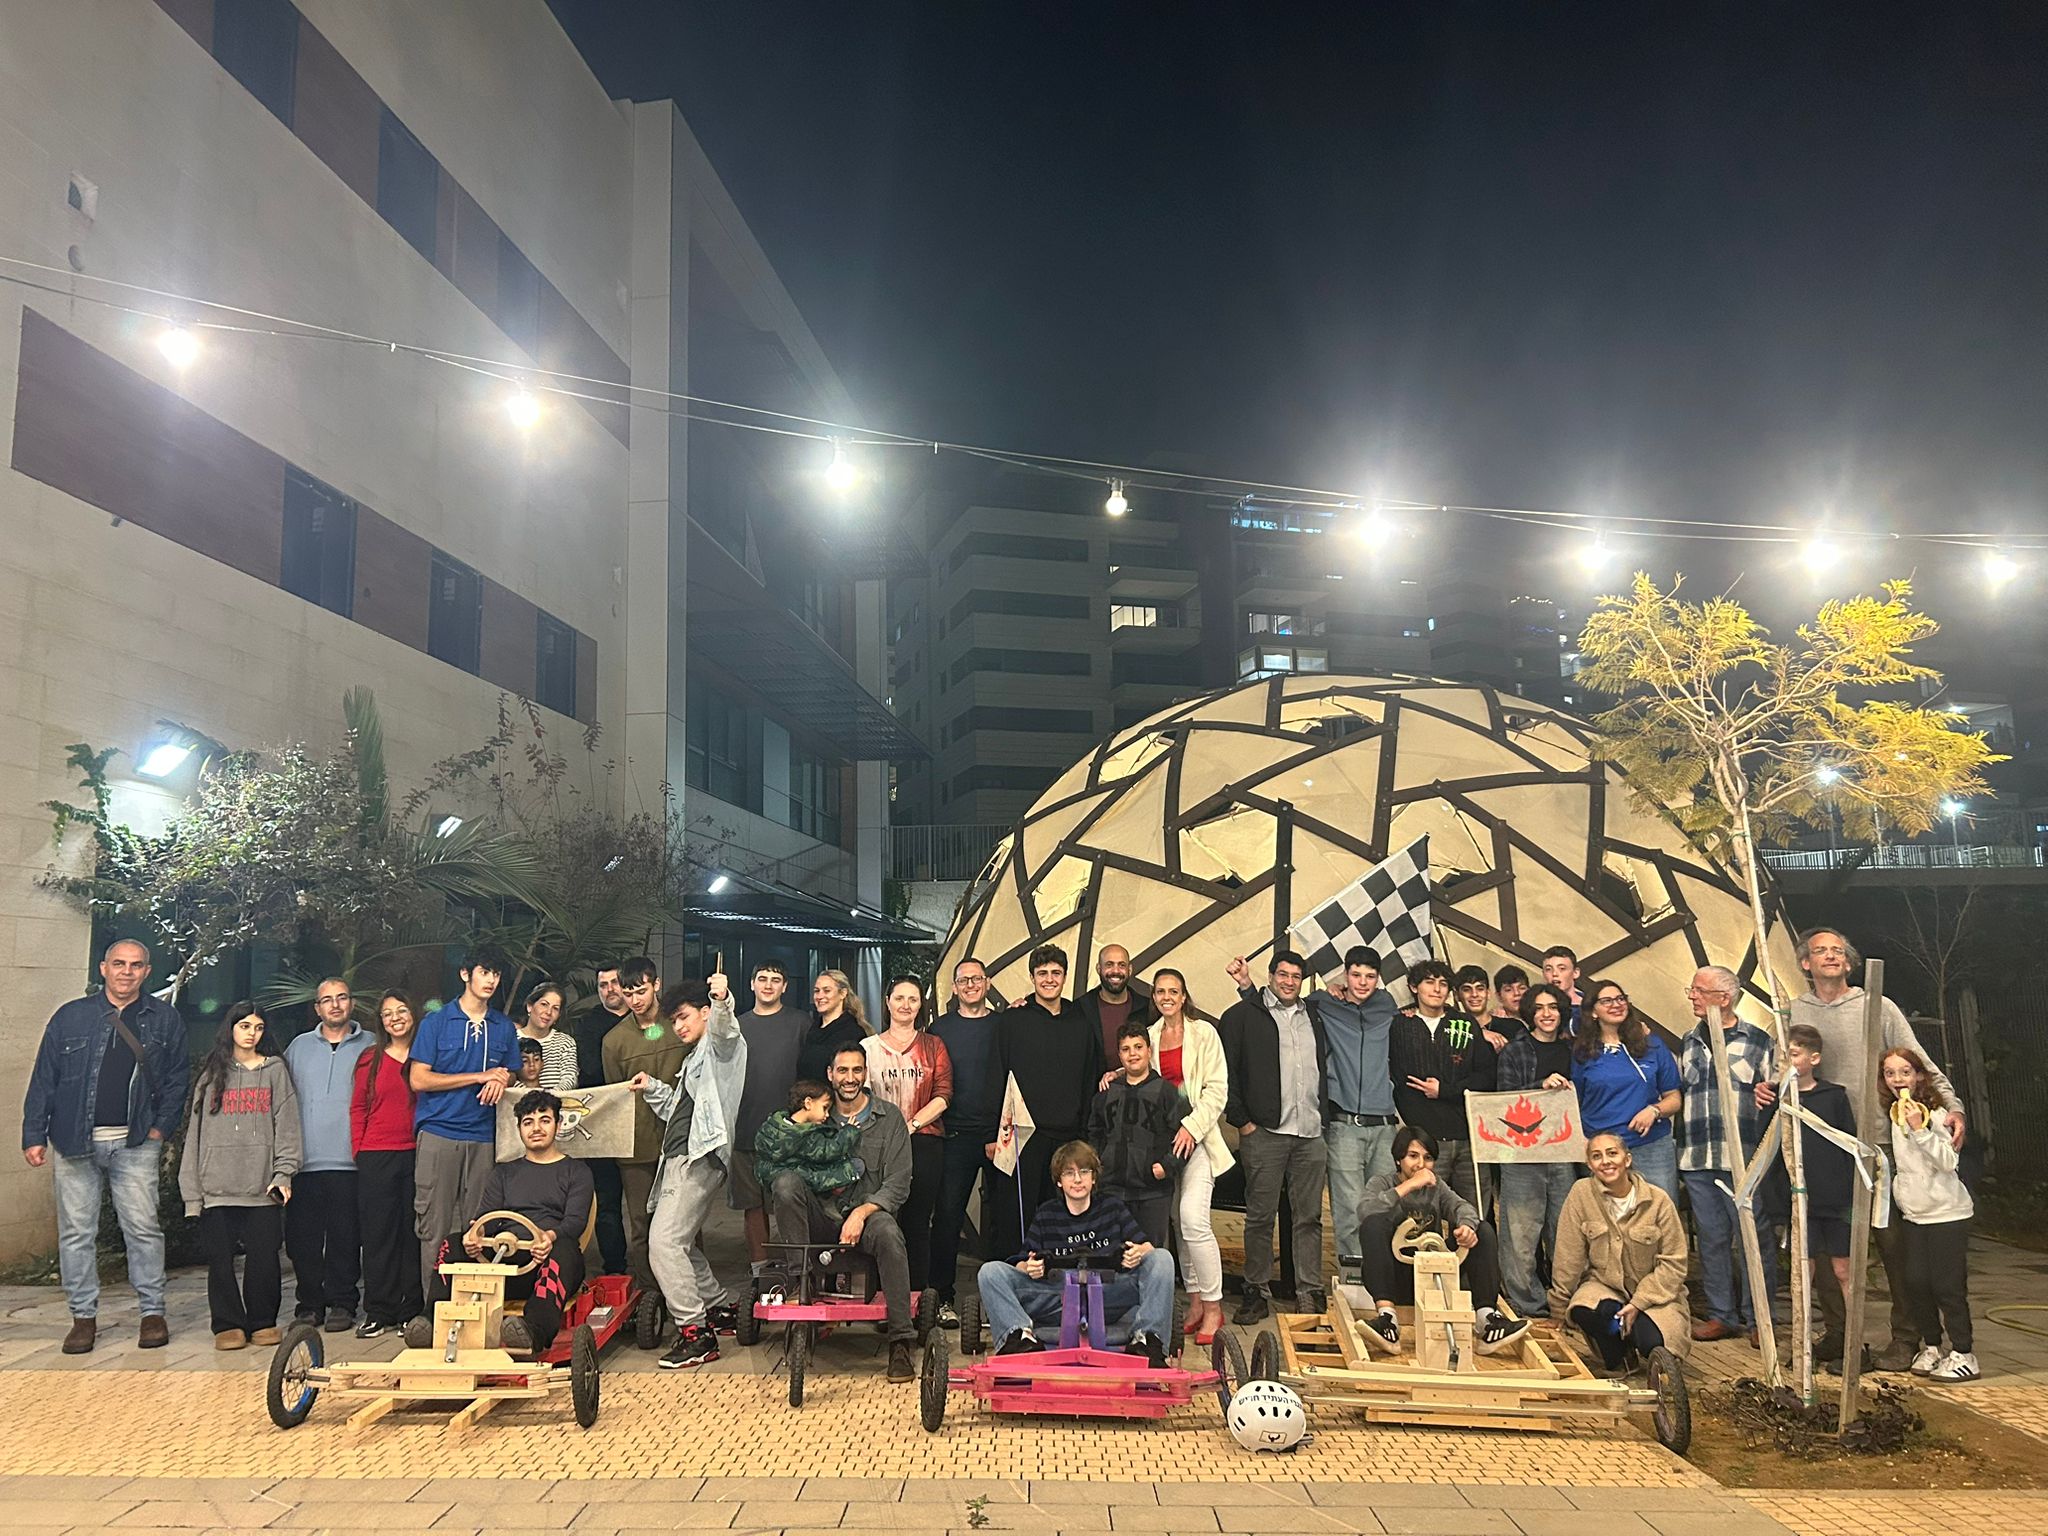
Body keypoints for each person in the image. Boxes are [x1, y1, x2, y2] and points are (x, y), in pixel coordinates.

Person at [1785, 927, 1964, 1372]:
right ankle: (1840, 1333)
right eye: (1820, 951)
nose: (1830, 956)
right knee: (1829, 1246)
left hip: (1879, 1144)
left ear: (1849, 963)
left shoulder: (1878, 1007)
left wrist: (1953, 1106)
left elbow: (1918, 1062)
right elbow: (1781, 1068)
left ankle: (1907, 1337)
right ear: (1805, 963)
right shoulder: (1793, 1011)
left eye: (1838, 951)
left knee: (1893, 1246)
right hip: (1825, 1146)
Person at [21, 938, 189, 1354]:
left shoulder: (164, 1019)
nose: (126, 972)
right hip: (74, 1140)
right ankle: (83, 1318)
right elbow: (45, 1078)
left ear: (146, 972)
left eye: (135, 965)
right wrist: (33, 1134)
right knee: (76, 1233)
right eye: (119, 964)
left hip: (136, 1142)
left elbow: (177, 1079)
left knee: (143, 1230)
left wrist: (160, 1129)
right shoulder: (70, 1017)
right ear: (103, 968)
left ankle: (152, 1313)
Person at [768, 1042, 920, 1382]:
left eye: (856, 1070)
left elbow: (898, 1183)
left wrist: (862, 1213)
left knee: (889, 1234)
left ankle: (900, 1340)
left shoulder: (889, 1118)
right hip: (821, 1216)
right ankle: (801, 1287)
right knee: (785, 1183)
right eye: (842, 1070)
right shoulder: (812, 1116)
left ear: (865, 1074)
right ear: (830, 1074)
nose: (849, 1078)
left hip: (869, 1216)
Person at [408, 1089, 594, 1354]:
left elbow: (575, 1222)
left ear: (558, 1123)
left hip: (546, 1260)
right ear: (519, 1129)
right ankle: (431, 1322)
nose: (536, 1128)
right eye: (528, 1122)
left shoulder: (576, 1171)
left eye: (544, 1120)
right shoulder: (504, 1172)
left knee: (564, 1250)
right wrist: (475, 1235)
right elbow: (487, 1216)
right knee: (452, 1243)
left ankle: (533, 1331)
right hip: (502, 1261)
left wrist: (548, 1238)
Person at [627, 974, 746, 1370]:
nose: (678, 1026)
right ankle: (717, 1308)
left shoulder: (721, 1046)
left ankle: (696, 1333)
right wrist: (652, 1087)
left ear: (705, 1013)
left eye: (684, 1017)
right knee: (680, 1244)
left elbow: (727, 1030)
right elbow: (679, 1111)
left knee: (663, 1244)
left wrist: (722, 997)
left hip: (699, 1158)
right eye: (674, 1020)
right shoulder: (693, 1058)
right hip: (680, 1157)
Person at [975, 1139, 1177, 1366]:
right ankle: (1018, 1337)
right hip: (1058, 1298)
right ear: (1059, 1181)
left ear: (1094, 1178)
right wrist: (1030, 1267)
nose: (1078, 1179)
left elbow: (1148, 1249)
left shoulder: (1113, 1207)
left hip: (1109, 1296)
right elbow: (1021, 1263)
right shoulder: (1046, 1214)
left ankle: (1148, 1340)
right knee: (990, 1272)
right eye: (1069, 1173)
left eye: (1084, 1171)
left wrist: (1138, 1253)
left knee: (1162, 1258)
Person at [180, 1002, 300, 1351]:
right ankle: (228, 1324)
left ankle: (263, 1321)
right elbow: (195, 1137)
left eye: (258, 1027)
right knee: (220, 1262)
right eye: (245, 1026)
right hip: (216, 1187)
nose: (252, 1034)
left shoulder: (275, 1070)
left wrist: (284, 1173)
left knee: (264, 1259)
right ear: (230, 1029)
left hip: (262, 1187)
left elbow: (288, 1127)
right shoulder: (211, 1075)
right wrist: (192, 1194)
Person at [1350, 1127, 1529, 1355]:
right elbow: (1365, 1210)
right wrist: (1409, 1186)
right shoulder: (1382, 1182)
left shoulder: (1437, 1187)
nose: (1420, 1165)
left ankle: (1487, 1320)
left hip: (1434, 1278)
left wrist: (1466, 1227)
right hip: (1396, 1274)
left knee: (1482, 1230)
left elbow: (1462, 1207)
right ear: (1398, 1160)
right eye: (1413, 1156)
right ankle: (1387, 1319)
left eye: (1428, 1158)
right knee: (1372, 1225)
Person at [1221, 949, 1330, 1323]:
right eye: (1282, 974)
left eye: (1296, 976)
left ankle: (1309, 1291)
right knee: (1260, 1217)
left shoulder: (1314, 1015)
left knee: (1309, 1217)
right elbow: (1228, 1071)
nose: (1289, 982)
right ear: (1270, 976)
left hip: (1310, 1131)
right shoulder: (1243, 1016)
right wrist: (1242, 1121)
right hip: (1265, 1132)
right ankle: (1256, 1290)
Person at [407, 947, 522, 1298]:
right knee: (434, 1225)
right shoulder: (437, 1022)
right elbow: (419, 1079)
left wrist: (501, 1078)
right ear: (465, 974)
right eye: (484, 972)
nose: (491, 980)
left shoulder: (503, 1026)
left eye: (496, 974)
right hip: (439, 1132)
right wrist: (478, 1076)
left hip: (485, 1135)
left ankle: (478, 1306)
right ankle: (433, 1307)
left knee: (481, 1227)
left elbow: (512, 1073)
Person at [1675, 965, 1776, 1345]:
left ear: (1725, 997)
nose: (1692, 996)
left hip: (1743, 1157)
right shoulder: (1689, 1041)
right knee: (1712, 1237)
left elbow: (1775, 1093)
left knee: (1753, 1236)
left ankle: (1759, 1317)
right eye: (1692, 989)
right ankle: (1722, 1315)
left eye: (1699, 990)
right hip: (1699, 1156)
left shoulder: (1758, 1041)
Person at [1757, 1022, 1859, 1368]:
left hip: (1837, 1200)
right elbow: (1768, 1150)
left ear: (1814, 1058)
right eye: (1782, 1057)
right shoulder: (1775, 1100)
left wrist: (1852, 1195)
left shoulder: (1834, 1097)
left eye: (1794, 1055)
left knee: (1844, 1270)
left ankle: (1854, 1344)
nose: (1787, 1062)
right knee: (1803, 1272)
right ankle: (1802, 1346)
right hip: (1799, 1202)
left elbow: (1850, 1146)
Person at [1549, 1132, 1692, 1375]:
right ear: (1589, 1165)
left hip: (1655, 1295)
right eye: (1597, 1156)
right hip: (1605, 1287)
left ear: (1627, 1159)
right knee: (1585, 1310)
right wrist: (1559, 1309)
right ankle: (1619, 1357)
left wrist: (1638, 1303)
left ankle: (1642, 1338)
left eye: (1612, 1153)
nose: (1605, 1161)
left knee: (1653, 1342)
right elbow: (1568, 1254)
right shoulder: (1581, 1194)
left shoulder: (1658, 1201)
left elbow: (1674, 1264)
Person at [994, 944, 1105, 1253]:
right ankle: (1015, 1272)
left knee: (1063, 1216)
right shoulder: (1012, 1021)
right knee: (1017, 1216)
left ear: (1065, 977)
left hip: (1068, 1136)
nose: (1049, 979)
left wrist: (1085, 1133)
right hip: (1022, 1137)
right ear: (1032, 978)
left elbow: (1089, 1078)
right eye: (1042, 973)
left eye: (1056, 973)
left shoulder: (1081, 1022)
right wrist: (994, 1133)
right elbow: (997, 1075)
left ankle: (1057, 1275)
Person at [1880, 1047, 1977, 1381]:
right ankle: (1933, 1346)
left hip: (1946, 1213)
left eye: (1905, 1072)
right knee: (1916, 1283)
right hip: (1915, 1214)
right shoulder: (1895, 1113)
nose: (1898, 1079)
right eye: (1890, 1073)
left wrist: (1921, 1130)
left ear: (1919, 1076)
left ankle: (1963, 1351)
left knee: (1947, 1286)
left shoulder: (1935, 1114)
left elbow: (1949, 1161)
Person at [283, 977, 373, 1332]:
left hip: (351, 1161)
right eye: (327, 1000)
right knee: (303, 1240)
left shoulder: (372, 1045)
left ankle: (342, 1303)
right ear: (317, 1008)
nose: (335, 1005)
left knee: (345, 1238)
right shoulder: (298, 1047)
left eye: (342, 997)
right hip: (304, 1162)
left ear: (352, 1003)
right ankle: (309, 1305)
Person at [1146, 968, 1231, 1344]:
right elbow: (1139, 1073)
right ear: (1154, 997)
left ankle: (1214, 1307)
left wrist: (1191, 1128)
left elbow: (1217, 1090)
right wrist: (1113, 1074)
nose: (1167, 997)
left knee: (1194, 1219)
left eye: (1174, 991)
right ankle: (1195, 1302)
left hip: (1196, 1139)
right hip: (1163, 1143)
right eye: (1160, 991)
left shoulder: (1204, 1033)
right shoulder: (1149, 1036)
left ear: (1184, 997)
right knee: (1178, 1223)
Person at [862, 976, 953, 1293]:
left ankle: (915, 1296)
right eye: (899, 998)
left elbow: (943, 1094)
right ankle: (879, 1294)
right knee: (881, 1219)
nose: (905, 1005)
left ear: (920, 1005)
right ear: (887, 1002)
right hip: (878, 1146)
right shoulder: (868, 1048)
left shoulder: (933, 1045)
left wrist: (910, 1125)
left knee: (917, 1222)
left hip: (924, 1142)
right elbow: (862, 1097)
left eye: (913, 999)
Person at [1493, 983, 1579, 1320]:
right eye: (1540, 1008)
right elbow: (1504, 1100)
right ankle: (1526, 1303)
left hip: (1563, 1152)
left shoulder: (1574, 1050)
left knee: (1565, 1231)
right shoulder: (1515, 1051)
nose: (1547, 1014)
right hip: (1522, 1155)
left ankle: (1565, 1299)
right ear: (1530, 1013)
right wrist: (1539, 1087)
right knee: (1520, 1234)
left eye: (1553, 1007)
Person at [1557, 979, 1680, 1205]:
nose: (1616, 1005)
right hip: (1603, 1148)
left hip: (1651, 1145)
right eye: (1606, 1001)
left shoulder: (1652, 1044)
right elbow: (1576, 1102)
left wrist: (1654, 1111)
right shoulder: (1581, 1052)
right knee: (1605, 1217)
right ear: (1593, 1011)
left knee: (1660, 1211)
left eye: (1620, 999)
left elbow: (1674, 1098)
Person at [600, 956, 683, 1292]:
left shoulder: (680, 1024)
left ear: (656, 984)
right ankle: (650, 1296)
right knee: (641, 1224)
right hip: (636, 1147)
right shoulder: (614, 1041)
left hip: (679, 1143)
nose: (635, 999)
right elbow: (616, 1097)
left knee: (683, 1222)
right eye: (629, 992)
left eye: (641, 991)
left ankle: (686, 1291)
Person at [1317, 946, 1401, 1270]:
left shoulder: (1388, 1005)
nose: (1363, 982)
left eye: (1370, 976)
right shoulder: (1325, 1003)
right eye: (1356, 975)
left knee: (1383, 1208)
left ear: (1378, 978)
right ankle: (1353, 1281)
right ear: (1345, 975)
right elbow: (1286, 1003)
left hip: (1384, 1125)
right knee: (1349, 1210)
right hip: (1345, 1125)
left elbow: (1427, 1011)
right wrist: (1327, 988)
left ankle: (1382, 1280)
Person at [1388, 959, 1496, 1206]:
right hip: (1425, 1144)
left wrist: (1445, 1090)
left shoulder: (1466, 1024)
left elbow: (1487, 1076)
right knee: (1425, 1214)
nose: (1437, 989)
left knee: (1474, 1212)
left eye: (1443, 983)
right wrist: (1418, 1133)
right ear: (1414, 987)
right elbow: (1398, 1081)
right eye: (1429, 982)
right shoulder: (1399, 1025)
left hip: (1469, 1139)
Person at [931, 956, 1002, 1327]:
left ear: (987, 983)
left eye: (977, 979)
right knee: (947, 1216)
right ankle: (941, 1297)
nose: (971, 985)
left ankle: (1002, 1299)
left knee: (1002, 1219)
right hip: (954, 1134)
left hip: (998, 1136)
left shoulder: (1004, 1025)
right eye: (964, 980)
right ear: (955, 987)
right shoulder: (939, 1029)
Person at [351, 990, 423, 1339]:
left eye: (402, 1010)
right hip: (376, 1154)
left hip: (417, 1152)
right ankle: (379, 1311)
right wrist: (359, 1149)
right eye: (388, 1013)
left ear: (414, 1014)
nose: (395, 1018)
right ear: (380, 1021)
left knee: (412, 1233)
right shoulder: (370, 1058)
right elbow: (358, 1107)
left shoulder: (427, 1057)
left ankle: (411, 1310)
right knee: (378, 1235)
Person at [729, 962, 803, 1269]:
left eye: (775, 980)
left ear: (785, 986)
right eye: (762, 979)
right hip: (745, 1128)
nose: (768, 985)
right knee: (752, 1205)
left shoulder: (801, 1023)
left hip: (788, 1133)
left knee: (790, 1203)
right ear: (752, 984)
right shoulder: (736, 1026)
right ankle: (760, 1272)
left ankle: (798, 1270)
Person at [1087, 1021, 1183, 1247]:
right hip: (1111, 1189)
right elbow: (1094, 1132)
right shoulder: (1106, 1093)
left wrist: (1167, 1166)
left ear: (1149, 1051)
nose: (1133, 1054)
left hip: (1153, 1192)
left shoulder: (1167, 1092)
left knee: (1150, 1253)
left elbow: (1184, 1135)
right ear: (1119, 1055)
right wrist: (1098, 1163)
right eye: (1126, 1049)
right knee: (1111, 1252)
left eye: (1138, 1047)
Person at [579, 963, 629, 1276]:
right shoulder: (589, 1023)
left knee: (647, 1203)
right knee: (607, 1203)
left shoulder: (647, 1020)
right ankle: (614, 1269)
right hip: (602, 1125)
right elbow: (590, 1069)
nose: (610, 989)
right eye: (603, 985)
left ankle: (654, 1268)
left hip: (643, 1123)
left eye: (615, 982)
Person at [753, 1079, 865, 1201]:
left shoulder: (774, 1124)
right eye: (825, 1108)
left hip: (768, 1176)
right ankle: (835, 1187)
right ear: (808, 1103)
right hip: (797, 1180)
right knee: (856, 1166)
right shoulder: (804, 1136)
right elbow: (829, 1151)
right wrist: (849, 1131)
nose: (827, 1114)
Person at [1075, 943, 1156, 1072]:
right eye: (1109, 965)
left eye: (1121, 965)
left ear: (1129, 970)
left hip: (1139, 1084)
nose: (1116, 971)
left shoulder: (1147, 1008)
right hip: (1093, 1085)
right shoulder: (1080, 1008)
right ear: (1098, 968)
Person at [794, 968, 870, 1083]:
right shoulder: (812, 1029)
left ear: (843, 993)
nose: (820, 996)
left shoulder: (853, 1033)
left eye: (827, 991)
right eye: (816, 991)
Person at [518, 981, 578, 1092]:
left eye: (555, 1008)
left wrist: (549, 1097)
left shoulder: (565, 1042)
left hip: (558, 1101)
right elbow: (507, 1076)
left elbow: (570, 1078)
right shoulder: (511, 1039)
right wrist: (531, 1096)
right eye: (544, 1004)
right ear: (530, 1006)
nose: (549, 1012)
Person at [1539, 946, 1583, 1032]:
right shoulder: (1537, 1006)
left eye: (1562, 969)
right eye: (1548, 969)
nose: (1554, 974)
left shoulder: (1590, 1003)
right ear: (1543, 974)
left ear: (1575, 972)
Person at [1489, 965, 1531, 1048]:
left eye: (1522, 988)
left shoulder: (1540, 1016)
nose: (1517, 993)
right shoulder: (1493, 1024)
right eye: (1508, 990)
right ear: (1499, 996)